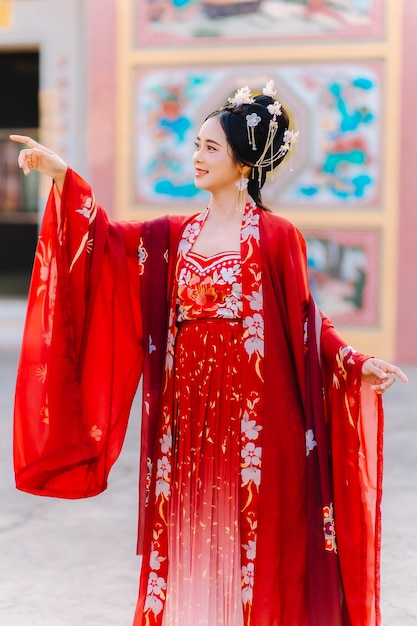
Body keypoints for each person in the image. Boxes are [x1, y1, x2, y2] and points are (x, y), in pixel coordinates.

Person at [11, 80, 407, 626]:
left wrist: (355, 362)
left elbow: (305, 320)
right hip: (186, 415)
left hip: (254, 417)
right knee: (190, 525)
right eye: (196, 145)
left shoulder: (275, 237)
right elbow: (103, 242)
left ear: (245, 164)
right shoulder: (175, 235)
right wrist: (63, 177)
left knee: (249, 535)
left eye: (210, 148)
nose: (196, 157)